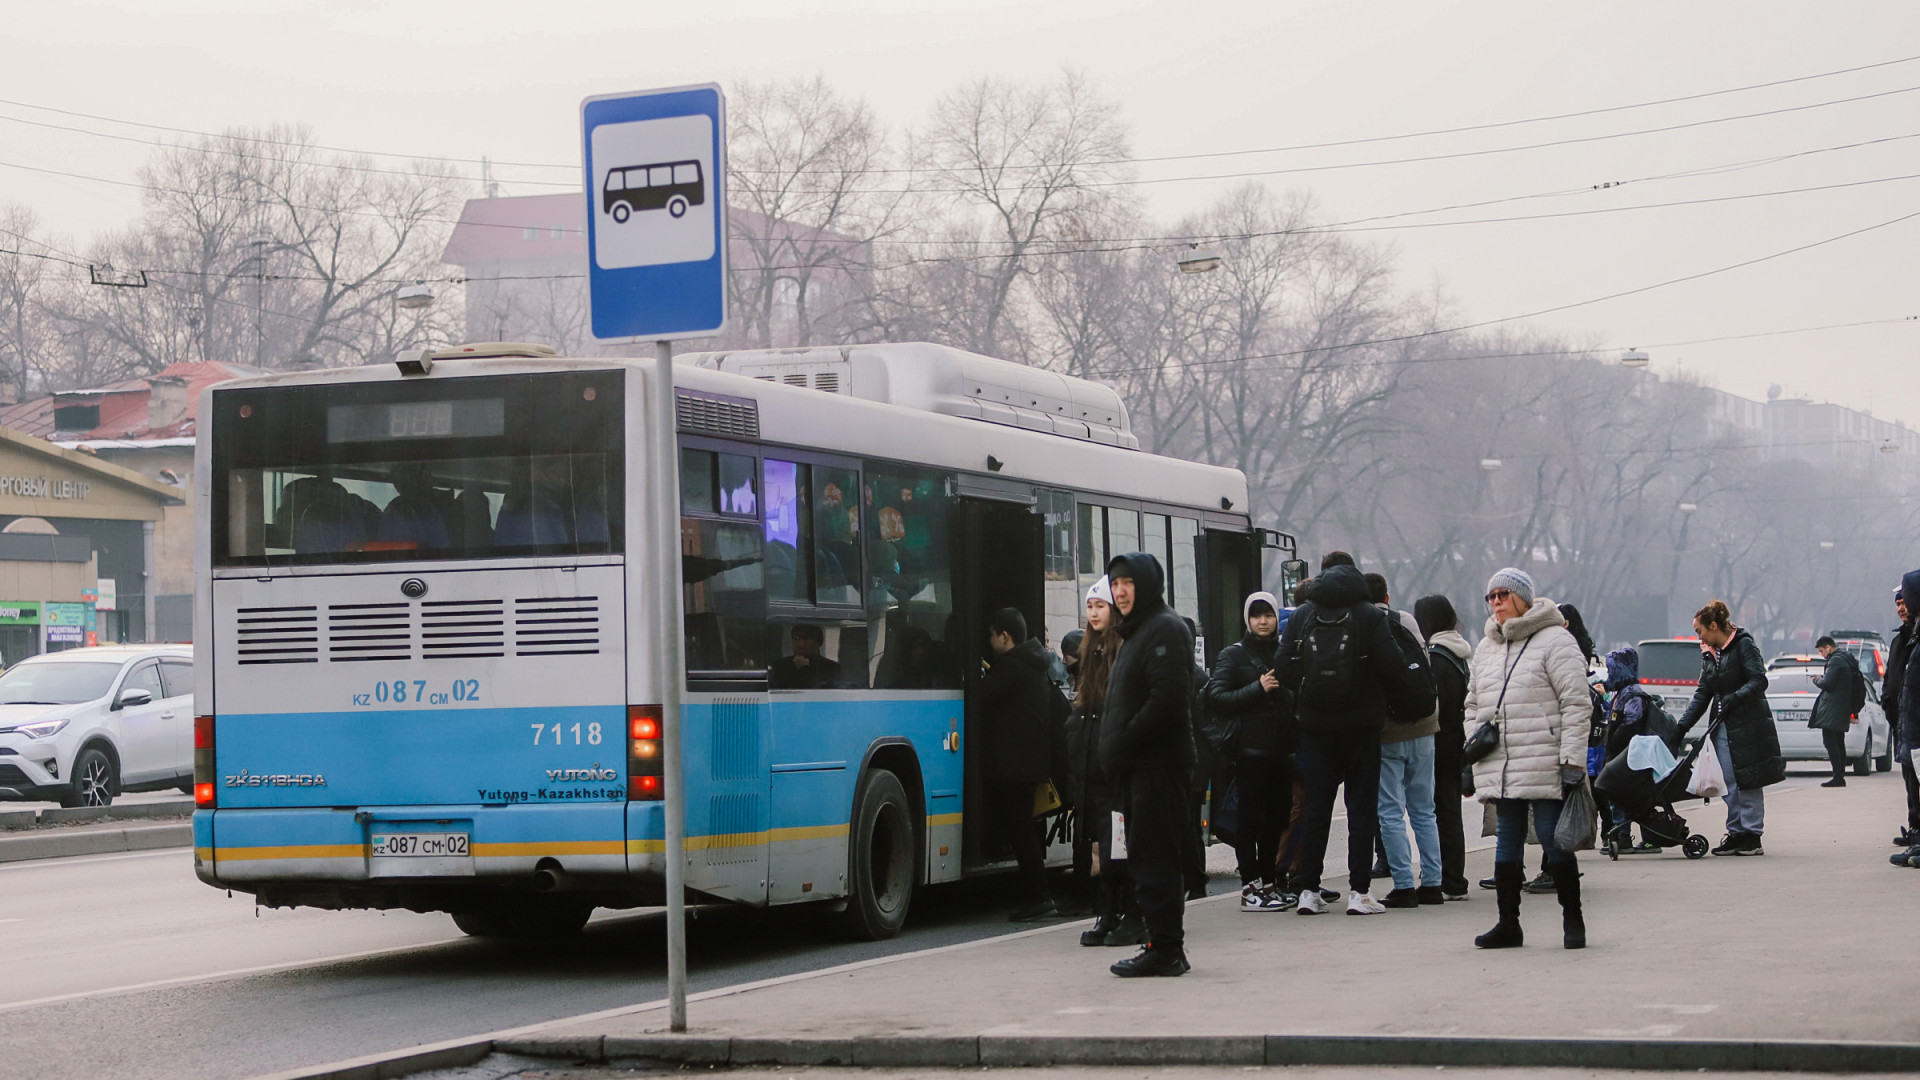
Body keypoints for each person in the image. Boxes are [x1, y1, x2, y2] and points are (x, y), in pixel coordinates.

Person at [1466, 568, 1594, 950]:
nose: (1496, 602)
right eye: (1490, 596)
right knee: (1507, 842)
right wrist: (1474, 738)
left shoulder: (1556, 640)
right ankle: (1509, 924)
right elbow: (1472, 703)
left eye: (1503, 594)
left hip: (1545, 758)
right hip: (1500, 760)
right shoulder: (1487, 646)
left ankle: (1573, 920)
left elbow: (1576, 702)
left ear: (1523, 597)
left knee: (1556, 841)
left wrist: (1572, 757)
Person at [1276, 559, 1410, 917]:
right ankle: (1360, 892)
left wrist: (1307, 693)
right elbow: (1394, 666)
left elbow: (1283, 663)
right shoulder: (1368, 614)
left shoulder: (1305, 614)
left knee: (1316, 809)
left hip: (1316, 728)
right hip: (1362, 728)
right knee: (1361, 810)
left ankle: (1308, 890)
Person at [1097, 552, 1195, 977]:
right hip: (1137, 768)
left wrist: (1123, 740)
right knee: (1142, 856)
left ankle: (1166, 949)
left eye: (1128, 583)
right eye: (1115, 583)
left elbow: (1167, 701)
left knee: (1156, 857)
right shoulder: (1135, 632)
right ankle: (1159, 942)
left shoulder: (1164, 629)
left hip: (1158, 766)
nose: (1119, 591)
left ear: (1148, 585)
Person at [1204, 591, 1295, 912]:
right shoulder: (1234, 655)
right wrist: (1258, 688)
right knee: (1249, 820)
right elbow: (1215, 697)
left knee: (1277, 820)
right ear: (1247, 619)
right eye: (1256, 615)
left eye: (1268, 615)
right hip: (1249, 752)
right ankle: (1250, 886)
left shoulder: (1286, 653)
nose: (1263, 621)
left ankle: (1269, 882)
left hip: (1283, 752)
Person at [1673, 600, 1786, 857]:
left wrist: (1736, 697)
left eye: (1700, 630)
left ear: (1714, 626)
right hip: (1724, 724)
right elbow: (1704, 693)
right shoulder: (1710, 652)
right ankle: (1736, 833)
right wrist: (1682, 727)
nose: (1698, 636)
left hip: (1748, 723)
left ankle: (1751, 835)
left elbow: (1759, 680)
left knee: (1748, 779)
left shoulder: (1743, 643)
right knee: (1728, 780)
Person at [1068, 577, 1145, 947]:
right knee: (1102, 848)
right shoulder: (1089, 653)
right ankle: (1108, 914)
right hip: (1094, 770)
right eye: (1090, 607)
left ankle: (1132, 915)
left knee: (1120, 849)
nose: (1095, 613)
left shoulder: (1125, 652)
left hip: (1119, 770)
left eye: (1101, 606)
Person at [1368, 574, 1443, 909]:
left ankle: (1403, 884)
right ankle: (1433, 883)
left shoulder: (1363, 625)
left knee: (1390, 811)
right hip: (1425, 725)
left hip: (1389, 731)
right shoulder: (1406, 621)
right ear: (1387, 595)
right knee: (1424, 810)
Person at [978, 606, 1057, 920]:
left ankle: (1041, 897)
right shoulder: (1032, 664)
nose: (989, 641)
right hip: (1029, 762)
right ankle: (1038, 894)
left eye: (991, 635)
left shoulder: (1011, 668)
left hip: (1015, 765)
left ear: (1004, 636)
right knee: (1022, 828)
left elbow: (982, 695)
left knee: (1020, 830)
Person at [1415, 595, 1473, 900]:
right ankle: (1454, 877)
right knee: (1450, 812)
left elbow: (1436, 705)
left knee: (1440, 813)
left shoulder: (1436, 658)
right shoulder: (1459, 653)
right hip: (1457, 742)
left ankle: (1448, 879)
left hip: (1439, 743)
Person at [1887, 584, 1920, 860]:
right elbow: (1893, 680)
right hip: (1904, 719)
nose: (1901, 607)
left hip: (1914, 719)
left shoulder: (1915, 635)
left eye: (1904, 601)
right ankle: (1915, 831)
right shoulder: (1901, 639)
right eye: (1897, 603)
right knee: (1910, 778)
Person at [1810, 636, 1865, 788]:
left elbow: (1828, 683)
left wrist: (1816, 679)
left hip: (1833, 709)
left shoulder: (1836, 661)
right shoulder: (1845, 658)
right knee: (1838, 741)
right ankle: (1840, 775)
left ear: (1828, 647)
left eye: (1822, 650)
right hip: (1842, 707)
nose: (1821, 654)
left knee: (1830, 742)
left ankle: (1838, 776)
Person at [769, 624, 843, 689]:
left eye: (807, 639)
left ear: (819, 642)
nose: (801, 645)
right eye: (796, 638)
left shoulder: (831, 668)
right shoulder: (779, 666)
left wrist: (804, 669)